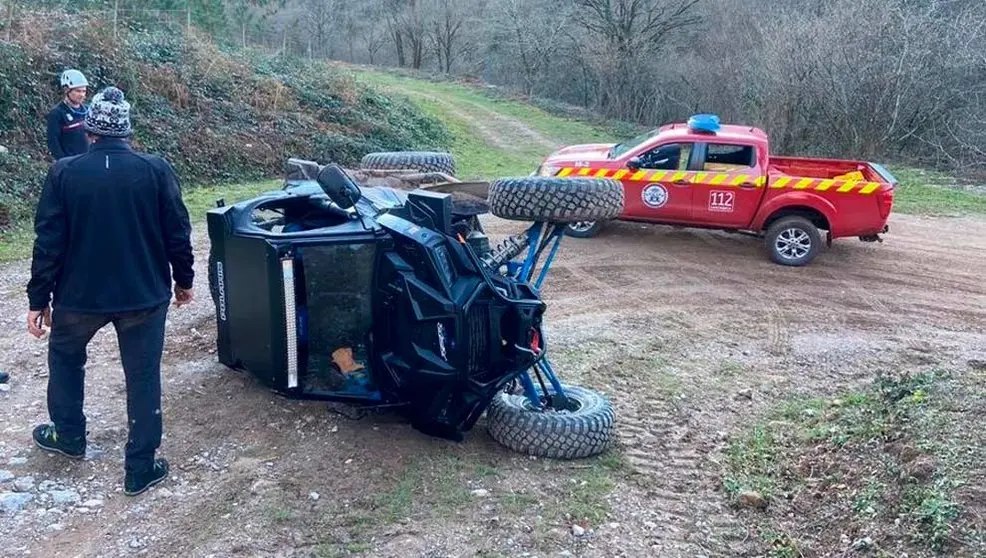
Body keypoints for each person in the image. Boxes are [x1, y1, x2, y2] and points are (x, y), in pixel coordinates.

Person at [25, 86, 195, 496]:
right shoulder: (155, 170)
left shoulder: (64, 172)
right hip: (143, 296)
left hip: (78, 297)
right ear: (127, 132)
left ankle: (69, 436)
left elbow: (48, 241)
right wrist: (184, 280)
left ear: (90, 131)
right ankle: (140, 468)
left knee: (66, 358)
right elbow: (178, 232)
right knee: (142, 375)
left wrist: (38, 300)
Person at [46, 69, 90, 160]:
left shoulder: (87, 110)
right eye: (78, 91)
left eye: (83, 91)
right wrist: (63, 163)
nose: (81, 95)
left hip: (88, 162)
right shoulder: (57, 113)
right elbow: (53, 143)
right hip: (70, 164)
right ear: (67, 90)